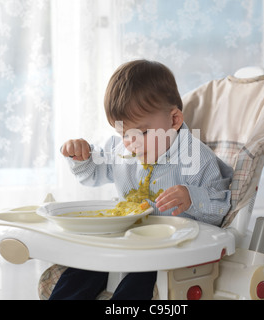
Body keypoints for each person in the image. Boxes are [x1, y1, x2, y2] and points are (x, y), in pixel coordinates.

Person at [50, 60, 233, 300]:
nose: (131, 142)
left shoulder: (197, 158)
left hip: (170, 250)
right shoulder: (121, 149)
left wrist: (192, 197)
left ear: (174, 120)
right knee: (86, 265)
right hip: (125, 242)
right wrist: (81, 156)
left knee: (139, 283)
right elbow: (93, 174)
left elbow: (220, 207)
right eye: (124, 133)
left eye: (142, 132)